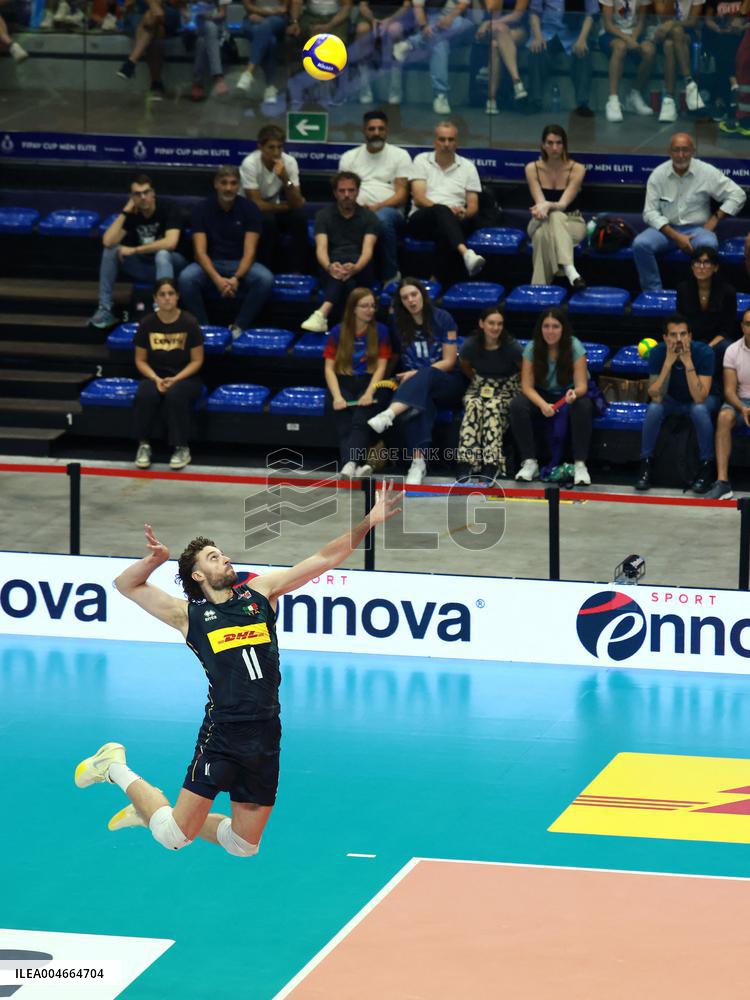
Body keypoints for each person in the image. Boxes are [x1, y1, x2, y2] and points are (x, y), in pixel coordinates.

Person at [74, 492, 400, 858]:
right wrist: (155, 560)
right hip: (224, 734)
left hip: (266, 732)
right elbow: (126, 585)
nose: (225, 558)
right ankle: (113, 766)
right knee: (173, 836)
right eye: (214, 557)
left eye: (223, 553)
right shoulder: (188, 616)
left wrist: (367, 522)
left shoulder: (260, 594)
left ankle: (152, 813)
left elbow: (324, 558)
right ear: (198, 575)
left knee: (244, 845)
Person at [367, 277, 465, 484]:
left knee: (426, 375)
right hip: (417, 388)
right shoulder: (398, 323)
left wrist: (416, 373)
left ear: (423, 295)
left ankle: (389, 414)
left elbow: (448, 362)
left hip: (448, 382)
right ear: (400, 302)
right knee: (418, 404)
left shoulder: (443, 318)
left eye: (414, 294)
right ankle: (418, 464)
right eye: (405, 297)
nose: (411, 300)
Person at [633, 133, 746, 291]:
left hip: (698, 231)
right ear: (669, 152)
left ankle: (701, 293)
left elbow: (738, 194)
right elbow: (649, 212)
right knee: (640, 244)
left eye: (685, 150)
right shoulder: (658, 175)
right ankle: (653, 293)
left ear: (693, 151)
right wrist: (676, 236)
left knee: (709, 245)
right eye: (676, 150)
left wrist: (715, 218)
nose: (680, 155)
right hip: (666, 231)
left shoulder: (706, 171)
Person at [178, 165, 273, 339]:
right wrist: (218, 280)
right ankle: (203, 328)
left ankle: (238, 327)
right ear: (216, 184)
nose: (228, 188)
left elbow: (250, 253)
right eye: (224, 183)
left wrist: (236, 278)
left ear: (239, 186)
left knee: (265, 278)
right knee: (186, 278)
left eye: (233, 183)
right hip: (211, 263)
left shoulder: (250, 209)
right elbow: (200, 252)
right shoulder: (201, 209)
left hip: (240, 263)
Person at [509, 306, 593, 485]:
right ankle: (530, 461)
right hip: (542, 393)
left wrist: (572, 395)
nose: (550, 331)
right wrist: (542, 405)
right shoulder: (532, 348)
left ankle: (580, 464)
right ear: (540, 328)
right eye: (546, 326)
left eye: (555, 326)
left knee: (584, 405)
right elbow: (526, 386)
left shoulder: (575, 346)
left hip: (569, 393)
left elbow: (582, 386)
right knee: (517, 405)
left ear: (563, 329)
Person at [89, 174, 186, 330]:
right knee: (111, 251)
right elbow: (107, 241)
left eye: (146, 192)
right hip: (145, 265)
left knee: (162, 254)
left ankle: (162, 311)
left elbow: (171, 242)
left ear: (153, 192)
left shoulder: (169, 207)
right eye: (137, 194)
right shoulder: (133, 213)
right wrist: (125, 212)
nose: (143, 197)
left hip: (172, 265)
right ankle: (105, 308)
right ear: (132, 197)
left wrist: (134, 249)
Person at [634, 313, 717, 493]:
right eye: (673, 335)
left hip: (701, 399)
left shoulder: (704, 352)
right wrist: (667, 364)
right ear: (665, 337)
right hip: (671, 400)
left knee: (699, 410)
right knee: (654, 408)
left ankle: (706, 466)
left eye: (683, 334)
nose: (679, 339)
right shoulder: (657, 352)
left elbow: (700, 397)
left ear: (690, 336)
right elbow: (656, 396)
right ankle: (645, 465)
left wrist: (688, 363)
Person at [132, 278, 204, 471]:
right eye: (162, 294)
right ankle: (143, 445)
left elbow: (197, 360)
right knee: (144, 394)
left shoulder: (189, 322)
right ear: (155, 298)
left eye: (171, 293)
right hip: (154, 376)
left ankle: (181, 447)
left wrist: (176, 379)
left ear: (178, 296)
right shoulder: (147, 323)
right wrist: (155, 379)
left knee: (175, 394)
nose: (167, 298)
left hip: (185, 377)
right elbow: (140, 360)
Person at [407, 121, 487, 287]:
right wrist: (444, 209)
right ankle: (466, 253)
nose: (446, 144)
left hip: (453, 220)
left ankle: (434, 282)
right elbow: (419, 198)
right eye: (442, 140)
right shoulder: (421, 160)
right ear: (434, 141)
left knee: (447, 229)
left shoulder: (468, 167)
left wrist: (464, 213)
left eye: (450, 140)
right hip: (422, 219)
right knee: (442, 212)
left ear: (456, 142)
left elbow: (473, 205)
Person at [323, 287, 393, 477]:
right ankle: (353, 464)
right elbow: (329, 368)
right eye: (364, 306)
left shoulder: (381, 331)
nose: (370, 310)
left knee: (360, 419)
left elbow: (381, 367)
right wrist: (337, 396)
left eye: (372, 306)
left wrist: (369, 393)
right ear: (353, 308)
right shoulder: (338, 332)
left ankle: (350, 463)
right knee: (343, 420)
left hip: (371, 382)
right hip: (344, 382)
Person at [339, 109, 412, 285]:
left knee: (381, 219)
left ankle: (390, 276)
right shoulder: (349, 158)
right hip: (356, 210)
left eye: (381, 129)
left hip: (390, 212)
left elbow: (402, 196)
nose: (376, 133)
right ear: (364, 130)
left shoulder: (400, 155)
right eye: (372, 129)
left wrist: (376, 207)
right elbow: (343, 191)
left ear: (387, 130)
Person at [301, 171, 380, 334]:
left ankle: (323, 313)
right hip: (332, 267)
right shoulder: (323, 215)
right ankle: (350, 332)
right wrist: (330, 267)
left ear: (357, 192)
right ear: (335, 193)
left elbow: (367, 251)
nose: (347, 195)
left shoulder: (370, 217)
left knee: (350, 262)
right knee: (347, 283)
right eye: (342, 191)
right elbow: (321, 249)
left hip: (361, 268)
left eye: (351, 190)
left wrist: (356, 267)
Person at [456, 306, 522, 480]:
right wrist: (480, 380)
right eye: (491, 323)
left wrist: (509, 386)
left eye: (499, 324)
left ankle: (492, 464)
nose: (495, 328)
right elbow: (465, 365)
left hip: (506, 388)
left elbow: (526, 370)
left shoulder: (512, 346)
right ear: (482, 324)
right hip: (479, 385)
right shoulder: (470, 345)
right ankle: (466, 462)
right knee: (473, 405)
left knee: (492, 407)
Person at [240, 123, 308, 273]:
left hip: (272, 206)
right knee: (267, 221)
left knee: (300, 218)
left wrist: (285, 178)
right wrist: (287, 206)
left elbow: (297, 202)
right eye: (271, 147)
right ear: (260, 147)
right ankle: (267, 270)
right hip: (246, 210)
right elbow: (256, 205)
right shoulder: (250, 164)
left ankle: (298, 271)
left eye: (280, 147)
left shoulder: (289, 163)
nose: (276, 152)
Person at [524, 124, 586, 288]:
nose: (554, 148)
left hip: (572, 223)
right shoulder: (532, 169)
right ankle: (569, 268)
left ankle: (538, 289)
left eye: (559, 143)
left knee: (543, 233)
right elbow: (540, 206)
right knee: (551, 218)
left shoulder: (577, 169)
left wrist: (548, 205)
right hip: (539, 220)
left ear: (564, 145)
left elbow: (563, 204)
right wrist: (545, 207)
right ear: (543, 145)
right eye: (550, 143)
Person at [392, 0, 476, 114]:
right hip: (433, 22)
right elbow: (418, 7)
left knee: (464, 24)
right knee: (439, 42)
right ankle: (441, 95)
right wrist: (423, 27)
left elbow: (463, 4)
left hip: (458, 21)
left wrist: (450, 18)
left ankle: (411, 43)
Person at [704, 307, 750, 499]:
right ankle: (722, 482)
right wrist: (743, 408)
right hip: (740, 402)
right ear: (742, 327)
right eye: (748, 324)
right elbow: (729, 391)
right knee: (723, 417)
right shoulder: (732, 350)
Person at [526, 0, 597, 116]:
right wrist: (538, 36)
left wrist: (582, 39)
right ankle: (534, 101)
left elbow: (591, 15)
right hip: (547, 32)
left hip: (574, 33)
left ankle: (582, 103)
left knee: (583, 53)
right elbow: (534, 12)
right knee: (535, 51)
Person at [599, 0, 657, 122]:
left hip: (634, 33)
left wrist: (633, 39)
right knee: (620, 47)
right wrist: (626, 38)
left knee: (649, 51)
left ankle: (634, 94)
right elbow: (608, 25)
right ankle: (613, 100)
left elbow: (641, 22)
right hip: (611, 33)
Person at [347, 1, 412, 105]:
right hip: (371, 16)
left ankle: (395, 92)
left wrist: (390, 20)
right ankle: (365, 90)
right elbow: (363, 5)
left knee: (394, 30)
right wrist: (373, 20)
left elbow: (406, 5)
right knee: (362, 30)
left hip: (396, 16)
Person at [651, 0, 706, 121]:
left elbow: (693, 22)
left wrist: (673, 23)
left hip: (687, 33)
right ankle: (690, 84)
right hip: (664, 32)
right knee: (671, 40)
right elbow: (663, 18)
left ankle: (669, 99)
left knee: (672, 41)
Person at [117, 0, 185, 98]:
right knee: (157, 27)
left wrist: (156, 5)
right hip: (139, 14)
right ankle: (156, 83)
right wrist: (152, 4)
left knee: (152, 17)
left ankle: (131, 62)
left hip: (168, 14)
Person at [675, 246, 737, 347]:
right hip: (692, 339)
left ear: (715, 267)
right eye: (697, 262)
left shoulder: (728, 292)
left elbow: (727, 329)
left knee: (725, 347)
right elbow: (681, 322)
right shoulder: (682, 289)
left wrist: (709, 346)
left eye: (707, 262)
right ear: (692, 266)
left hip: (718, 340)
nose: (701, 267)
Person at [476, 0, 529, 115]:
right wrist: (490, 23)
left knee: (495, 45)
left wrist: (491, 23)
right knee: (499, 31)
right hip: (491, 30)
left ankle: (491, 99)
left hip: (517, 29)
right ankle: (517, 82)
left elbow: (517, 16)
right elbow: (490, 10)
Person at [236, 0, 289, 103]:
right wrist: (267, 14)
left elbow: (284, 8)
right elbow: (248, 6)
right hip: (252, 18)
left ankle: (248, 72)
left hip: (276, 19)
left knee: (265, 25)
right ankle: (270, 87)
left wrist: (265, 17)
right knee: (271, 41)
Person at [189, 0, 230, 101]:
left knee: (203, 40)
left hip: (218, 25)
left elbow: (223, 13)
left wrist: (210, 16)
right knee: (208, 28)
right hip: (198, 24)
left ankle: (197, 82)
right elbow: (188, 9)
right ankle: (218, 76)